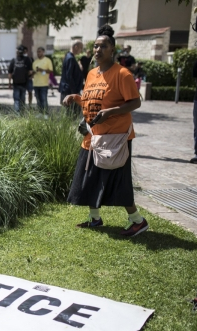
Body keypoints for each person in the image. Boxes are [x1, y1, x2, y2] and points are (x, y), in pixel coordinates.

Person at [62, 25, 148, 237]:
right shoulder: (91, 74)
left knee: (119, 181)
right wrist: (76, 98)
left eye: (103, 46)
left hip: (115, 138)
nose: (98, 50)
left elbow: (135, 102)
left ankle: (138, 221)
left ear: (112, 50)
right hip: (93, 135)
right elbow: (93, 100)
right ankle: (95, 218)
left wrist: (110, 113)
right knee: (88, 175)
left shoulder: (122, 74)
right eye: (95, 46)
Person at [59, 39, 84, 116]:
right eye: (81, 47)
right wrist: (74, 92)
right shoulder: (70, 58)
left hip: (69, 89)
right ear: (76, 47)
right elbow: (69, 76)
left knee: (71, 112)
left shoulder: (69, 57)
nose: (81, 50)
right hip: (69, 90)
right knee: (73, 112)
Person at [8, 45, 33, 112]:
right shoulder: (27, 59)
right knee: (22, 100)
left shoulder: (13, 60)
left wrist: (9, 83)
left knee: (16, 100)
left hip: (15, 83)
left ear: (17, 52)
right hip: (24, 83)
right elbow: (30, 72)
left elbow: (10, 73)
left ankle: (17, 114)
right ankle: (22, 114)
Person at [32, 47, 53, 114]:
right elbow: (33, 72)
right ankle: (40, 113)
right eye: (37, 52)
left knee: (44, 100)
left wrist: (42, 70)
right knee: (38, 100)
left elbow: (50, 71)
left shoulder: (47, 60)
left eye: (40, 52)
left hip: (44, 84)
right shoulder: (35, 62)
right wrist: (32, 72)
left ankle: (45, 113)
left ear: (43, 52)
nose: (38, 53)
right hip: (36, 84)